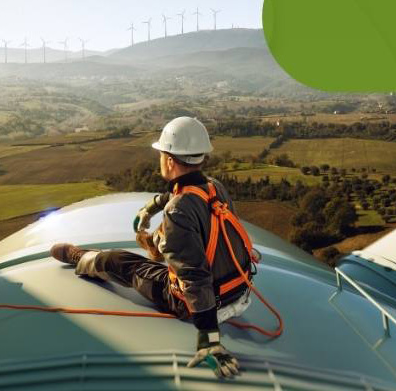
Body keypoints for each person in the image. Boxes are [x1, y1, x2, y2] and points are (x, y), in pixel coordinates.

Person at [50, 116, 255, 379]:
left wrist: (209, 339)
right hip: (240, 291)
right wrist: (151, 207)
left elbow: (194, 276)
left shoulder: (178, 211)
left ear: (169, 160)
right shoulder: (215, 187)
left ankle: (81, 258)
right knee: (167, 249)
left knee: (120, 262)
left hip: (204, 305)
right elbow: (183, 195)